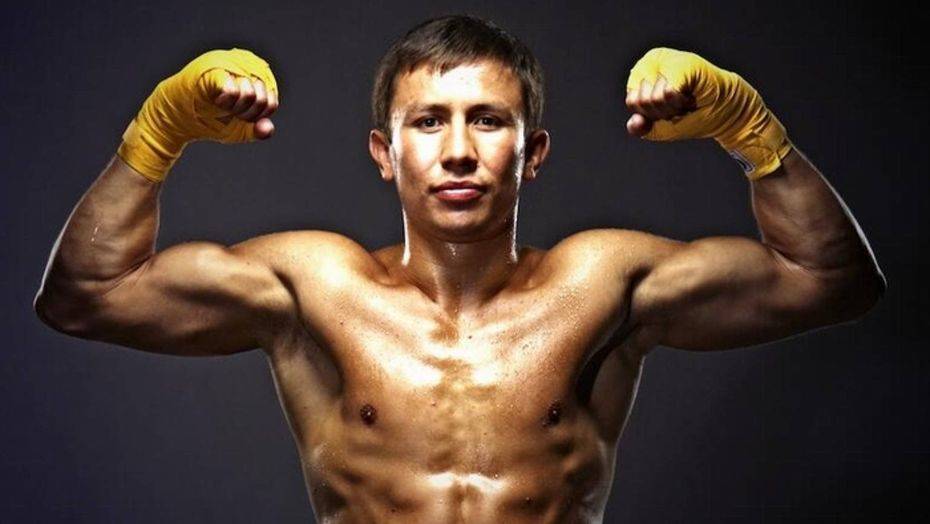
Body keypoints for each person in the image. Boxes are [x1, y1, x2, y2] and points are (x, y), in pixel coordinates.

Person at [34, 14, 885, 523]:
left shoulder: (601, 284)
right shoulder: (315, 288)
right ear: (385, 152)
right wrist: (158, 135)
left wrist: (750, 130)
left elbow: (833, 281)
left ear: (532, 152)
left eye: (487, 120)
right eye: (428, 122)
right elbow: (85, 296)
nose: (458, 152)